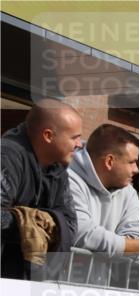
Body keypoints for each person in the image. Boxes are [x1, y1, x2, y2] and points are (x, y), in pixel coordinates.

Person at [1, 99, 83, 279]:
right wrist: (29, 223)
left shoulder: (58, 169)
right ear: (48, 135)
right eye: (74, 137)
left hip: (27, 282)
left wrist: (36, 221)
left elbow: (70, 225)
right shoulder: (6, 157)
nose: (80, 144)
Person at [68, 124, 139, 260]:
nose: (136, 169)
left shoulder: (127, 190)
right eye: (132, 162)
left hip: (100, 279)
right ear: (109, 161)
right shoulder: (68, 180)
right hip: (55, 279)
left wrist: (121, 246)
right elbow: (81, 233)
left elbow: (138, 232)